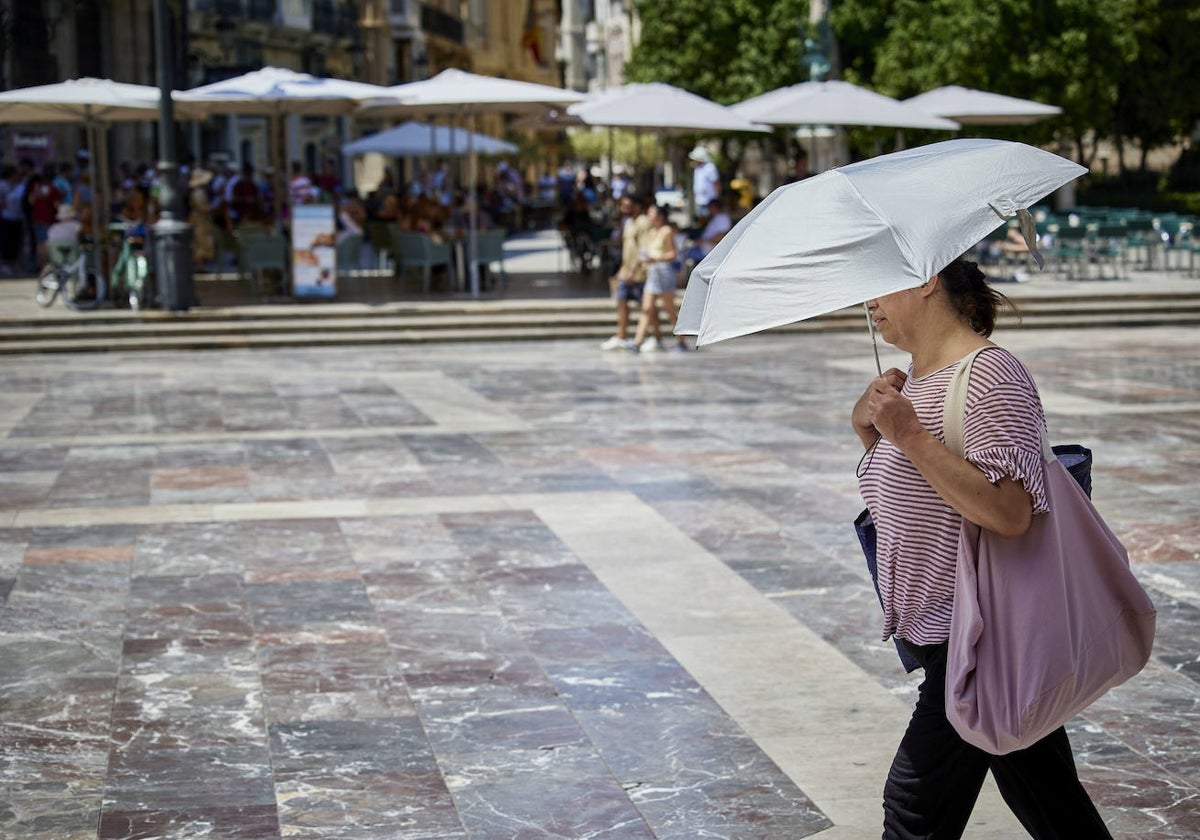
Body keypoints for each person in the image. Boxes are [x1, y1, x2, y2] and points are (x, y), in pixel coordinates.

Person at [851, 256, 1112, 839]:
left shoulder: (992, 376)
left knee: (914, 804)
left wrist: (910, 435)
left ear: (926, 280)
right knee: (1048, 798)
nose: (867, 302)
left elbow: (1009, 511)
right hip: (943, 631)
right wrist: (874, 433)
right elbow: (914, 495)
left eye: (878, 286)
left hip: (979, 634)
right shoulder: (917, 378)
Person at [599, 192, 657, 351]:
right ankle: (621, 336)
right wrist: (622, 270)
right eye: (622, 206)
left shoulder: (643, 223)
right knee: (622, 302)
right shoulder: (628, 222)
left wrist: (635, 271)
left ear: (637, 206)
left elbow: (644, 249)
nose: (624, 209)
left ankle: (654, 336)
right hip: (627, 270)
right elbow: (628, 249)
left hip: (639, 272)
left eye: (627, 206)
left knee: (647, 307)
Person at [631, 204, 687, 353]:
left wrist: (656, 258)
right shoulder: (650, 232)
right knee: (647, 308)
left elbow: (673, 254)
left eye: (651, 213)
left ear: (660, 216)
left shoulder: (666, 231)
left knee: (669, 309)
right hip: (652, 272)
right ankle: (637, 342)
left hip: (664, 272)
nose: (649, 215)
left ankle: (681, 340)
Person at [688, 145, 721, 218]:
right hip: (699, 201)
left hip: (709, 201)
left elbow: (716, 183)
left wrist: (716, 199)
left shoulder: (710, 167)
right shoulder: (697, 168)